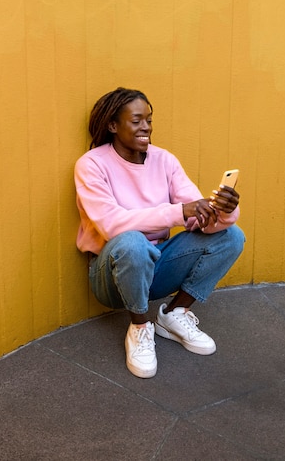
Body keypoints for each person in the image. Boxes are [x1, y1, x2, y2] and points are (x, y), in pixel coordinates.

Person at [74, 87, 245, 378]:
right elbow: (111, 224)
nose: (146, 128)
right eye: (137, 120)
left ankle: (174, 314)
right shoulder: (91, 165)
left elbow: (196, 216)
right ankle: (140, 328)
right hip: (111, 275)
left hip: (156, 266)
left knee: (232, 235)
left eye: (149, 120)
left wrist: (223, 211)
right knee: (132, 242)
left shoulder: (164, 160)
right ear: (113, 126)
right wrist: (179, 212)